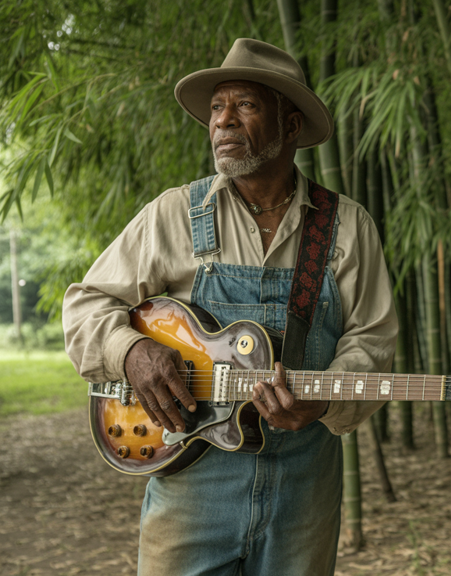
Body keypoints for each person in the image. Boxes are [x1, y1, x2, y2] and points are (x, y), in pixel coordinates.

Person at [62, 38, 398, 575]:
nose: (223, 121)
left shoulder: (347, 226)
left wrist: (324, 401)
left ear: (291, 125)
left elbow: (373, 342)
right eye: (217, 108)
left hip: (304, 484)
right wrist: (132, 352)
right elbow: (85, 305)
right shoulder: (174, 213)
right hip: (191, 482)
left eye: (244, 105)